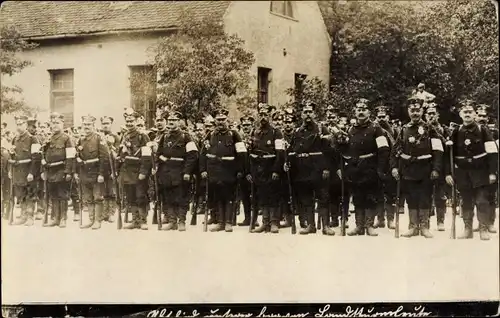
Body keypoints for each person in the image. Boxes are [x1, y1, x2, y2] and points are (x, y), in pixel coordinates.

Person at [445, 101, 498, 240]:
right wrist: (448, 173)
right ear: (460, 115)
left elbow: (492, 152)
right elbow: (448, 155)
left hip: (480, 171)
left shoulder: (482, 130)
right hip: (463, 173)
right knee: (466, 201)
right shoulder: (456, 131)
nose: (467, 114)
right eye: (465, 112)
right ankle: (468, 229)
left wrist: (493, 172)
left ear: (474, 114)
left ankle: (483, 229)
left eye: (470, 112)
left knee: (482, 201)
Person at [391, 98, 443, 238]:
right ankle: (413, 226)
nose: (415, 113)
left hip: (426, 169)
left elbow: (438, 150)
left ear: (422, 111)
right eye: (412, 110)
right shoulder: (403, 129)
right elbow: (395, 150)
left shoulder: (429, 128)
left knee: (425, 197)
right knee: (411, 198)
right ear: (408, 111)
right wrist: (394, 167)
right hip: (408, 170)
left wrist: (436, 169)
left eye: (417, 110)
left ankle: (424, 226)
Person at [337, 99, 389, 237]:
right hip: (355, 168)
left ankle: (369, 225)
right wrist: (341, 143)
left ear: (369, 112)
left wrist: (381, 169)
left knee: (370, 197)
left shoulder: (376, 129)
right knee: (358, 197)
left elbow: (384, 150)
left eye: (363, 109)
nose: (361, 111)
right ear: (354, 112)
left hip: (371, 167)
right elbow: (345, 150)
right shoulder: (351, 129)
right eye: (358, 109)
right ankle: (359, 226)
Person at [286, 102, 336, 235]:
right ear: (302, 115)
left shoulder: (321, 129)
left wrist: (326, 168)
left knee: (323, 197)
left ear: (314, 114)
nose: (308, 114)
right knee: (306, 199)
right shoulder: (297, 131)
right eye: (305, 112)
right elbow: (292, 150)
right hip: (302, 169)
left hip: (319, 168)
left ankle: (325, 226)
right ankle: (311, 225)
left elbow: (329, 151)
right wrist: (288, 162)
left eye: (310, 112)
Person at [199, 108, 246, 232]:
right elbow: (203, 153)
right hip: (214, 171)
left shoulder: (234, 134)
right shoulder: (211, 134)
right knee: (218, 197)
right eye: (218, 120)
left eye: (223, 120)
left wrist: (240, 170)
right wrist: (203, 169)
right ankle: (220, 222)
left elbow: (242, 154)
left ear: (227, 120)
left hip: (229, 171)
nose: (220, 122)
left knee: (229, 197)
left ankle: (228, 222)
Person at [155, 110, 198, 231]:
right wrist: (165, 161)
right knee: (168, 197)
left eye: (174, 120)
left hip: (181, 172)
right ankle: (172, 221)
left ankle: (181, 221)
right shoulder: (165, 136)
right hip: (166, 172)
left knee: (182, 197)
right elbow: (158, 154)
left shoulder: (186, 137)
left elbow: (192, 155)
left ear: (179, 122)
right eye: (170, 121)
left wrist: (187, 172)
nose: (171, 123)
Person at [246, 103, 284, 233]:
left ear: (270, 116)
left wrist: (276, 170)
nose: (263, 117)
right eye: (261, 114)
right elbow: (250, 152)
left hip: (271, 167)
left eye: (266, 115)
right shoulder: (254, 132)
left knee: (273, 195)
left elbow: (280, 153)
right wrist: (250, 171)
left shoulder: (276, 132)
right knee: (262, 195)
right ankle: (265, 222)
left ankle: (274, 222)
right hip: (258, 168)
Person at [117, 108, 152, 230]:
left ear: (136, 121)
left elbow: (147, 156)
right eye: (127, 121)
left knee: (140, 195)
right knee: (130, 196)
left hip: (139, 171)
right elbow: (121, 153)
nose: (129, 124)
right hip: (127, 171)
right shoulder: (125, 135)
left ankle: (143, 220)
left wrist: (144, 172)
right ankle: (135, 220)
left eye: (131, 121)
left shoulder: (143, 136)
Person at [75, 115, 110, 229]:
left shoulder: (99, 138)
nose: (86, 127)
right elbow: (77, 156)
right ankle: (91, 219)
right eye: (85, 124)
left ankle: (97, 221)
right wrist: (78, 163)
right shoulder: (81, 140)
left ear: (93, 126)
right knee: (88, 198)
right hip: (84, 173)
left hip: (96, 172)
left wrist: (101, 174)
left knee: (97, 197)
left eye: (89, 124)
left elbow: (104, 158)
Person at [42, 112, 76, 228]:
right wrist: (43, 168)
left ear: (62, 123)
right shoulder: (48, 139)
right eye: (53, 123)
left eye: (57, 122)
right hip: (50, 170)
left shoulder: (67, 138)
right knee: (53, 195)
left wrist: (68, 172)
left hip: (62, 170)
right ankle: (55, 218)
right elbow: (44, 154)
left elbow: (71, 157)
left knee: (63, 195)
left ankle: (63, 219)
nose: (55, 125)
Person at [8, 115, 42, 226]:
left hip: (28, 171)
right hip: (18, 171)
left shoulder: (33, 139)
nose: (19, 126)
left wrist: (32, 172)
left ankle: (30, 217)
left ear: (26, 125)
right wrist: (10, 170)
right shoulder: (14, 139)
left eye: (21, 124)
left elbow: (36, 158)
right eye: (17, 124)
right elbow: (11, 157)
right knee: (20, 194)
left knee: (30, 194)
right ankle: (22, 216)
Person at [425, 103, 450, 231]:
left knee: (440, 195)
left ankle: (440, 221)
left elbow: (449, 146)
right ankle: (426, 221)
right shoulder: (422, 128)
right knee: (426, 194)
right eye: (429, 113)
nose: (431, 115)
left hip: (441, 165)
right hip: (425, 165)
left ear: (437, 115)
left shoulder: (444, 129)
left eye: (433, 113)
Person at [100, 116, 121, 223]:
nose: (105, 125)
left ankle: (111, 213)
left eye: (107, 123)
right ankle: (104, 213)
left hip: (112, 167)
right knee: (103, 191)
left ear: (111, 124)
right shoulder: (99, 137)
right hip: (101, 168)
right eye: (103, 123)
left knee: (112, 191)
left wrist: (116, 170)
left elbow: (118, 154)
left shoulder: (116, 137)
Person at [237, 114, 255, 226]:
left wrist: (251, 172)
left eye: (248, 125)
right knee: (244, 196)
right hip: (243, 172)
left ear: (252, 125)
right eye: (244, 125)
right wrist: (241, 171)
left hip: (254, 172)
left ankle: (255, 219)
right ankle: (247, 218)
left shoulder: (256, 137)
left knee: (255, 196)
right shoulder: (239, 139)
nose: (246, 127)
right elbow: (238, 157)